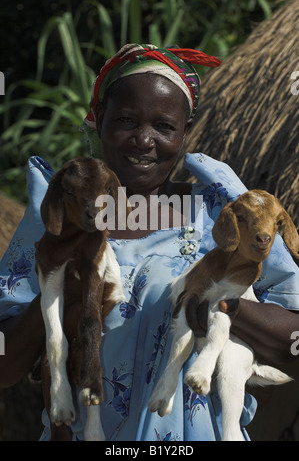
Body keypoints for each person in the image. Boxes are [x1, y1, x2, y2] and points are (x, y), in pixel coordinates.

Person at [0, 43, 298, 441]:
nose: (143, 140)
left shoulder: (224, 213)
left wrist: (227, 306)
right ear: (100, 119)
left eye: (164, 126)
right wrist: (60, 290)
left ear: (185, 132)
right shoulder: (60, 215)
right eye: (125, 120)